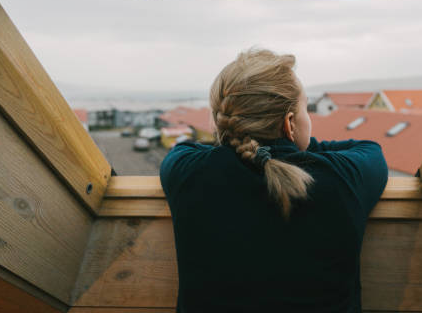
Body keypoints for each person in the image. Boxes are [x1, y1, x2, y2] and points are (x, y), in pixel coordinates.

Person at [160, 49, 388, 313]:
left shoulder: (188, 172)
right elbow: (369, 150)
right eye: (306, 110)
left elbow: (188, 149)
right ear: (290, 124)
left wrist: (246, 143)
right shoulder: (343, 177)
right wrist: (296, 148)